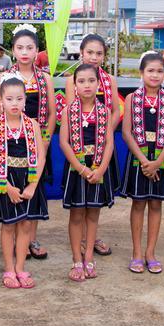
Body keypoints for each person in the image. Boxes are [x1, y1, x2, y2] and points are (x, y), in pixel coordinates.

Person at [0, 73, 47, 289]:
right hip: (6, 180)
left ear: (25, 100)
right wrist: (7, 186)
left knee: (26, 224)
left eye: (19, 99)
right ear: (1, 100)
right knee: (9, 225)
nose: (14, 103)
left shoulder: (32, 125)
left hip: (28, 179)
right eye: (9, 99)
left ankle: (20, 267)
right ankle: (9, 268)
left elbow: (41, 156)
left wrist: (33, 185)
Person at [0, 24, 55, 260]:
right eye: (20, 47)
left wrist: (44, 141)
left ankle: (31, 239)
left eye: (29, 47)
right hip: (11, 143)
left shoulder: (45, 78)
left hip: (37, 142)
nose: (24, 52)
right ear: (12, 50)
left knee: (34, 188)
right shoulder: (4, 77)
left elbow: (51, 113)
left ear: (36, 51)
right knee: (13, 187)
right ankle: (13, 239)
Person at [120, 52, 164, 274]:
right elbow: (127, 133)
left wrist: (158, 162)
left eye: (159, 71)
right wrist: (145, 161)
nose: (155, 75)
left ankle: (150, 253)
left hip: (162, 157)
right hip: (140, 157)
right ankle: (136, 253)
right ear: (141, 73)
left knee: (156, 204)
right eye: (150, 70)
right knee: (138, 203)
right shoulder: (132, 99)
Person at [64, 34, 122, 257]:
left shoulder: (109, 80)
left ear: (104, 56)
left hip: (102, 144)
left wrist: (104, 133)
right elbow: (72, 113)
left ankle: (91, 238)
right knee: (80, 199)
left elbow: (115, 110)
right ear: (81, 53)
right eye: (89, 52)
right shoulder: (73, 80)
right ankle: (80, 241)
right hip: (80, 145)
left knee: (96, 197)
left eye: (99, 53)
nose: (94, 57)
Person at [60, 64, 114, 281]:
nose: (87, 85)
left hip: (98, 167)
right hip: (77, 168)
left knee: (93, 214)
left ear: (98, 84)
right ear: (75, 85)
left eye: (91, 80)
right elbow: (64, 143)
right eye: (81, 81)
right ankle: (76, 258)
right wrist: (81, 168)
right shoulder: (68, 111)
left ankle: (89, 256)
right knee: (76, 215)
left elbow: (109, 143)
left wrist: (100, 169)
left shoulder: (104, 111)